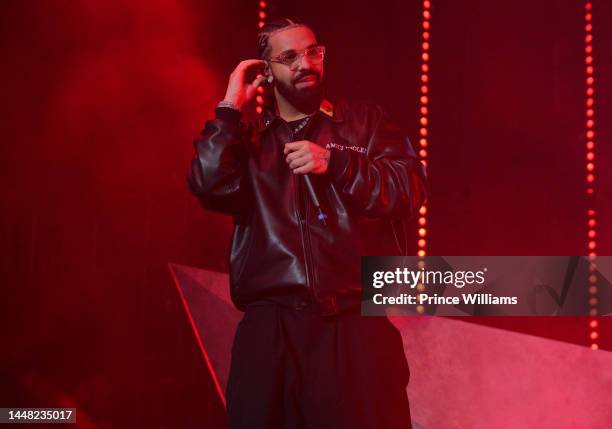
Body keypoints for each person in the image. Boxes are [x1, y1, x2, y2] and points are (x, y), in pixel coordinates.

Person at [187, 17, 428, 429]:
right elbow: (207, 184)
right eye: (288, 56)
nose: (305, 63)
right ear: (266, 72)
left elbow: (408, 188)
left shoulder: (363, 123)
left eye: (313, 52)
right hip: (271, 330)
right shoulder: (249, 144)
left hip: (352, 324)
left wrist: (337, 162)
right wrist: (229, 107)